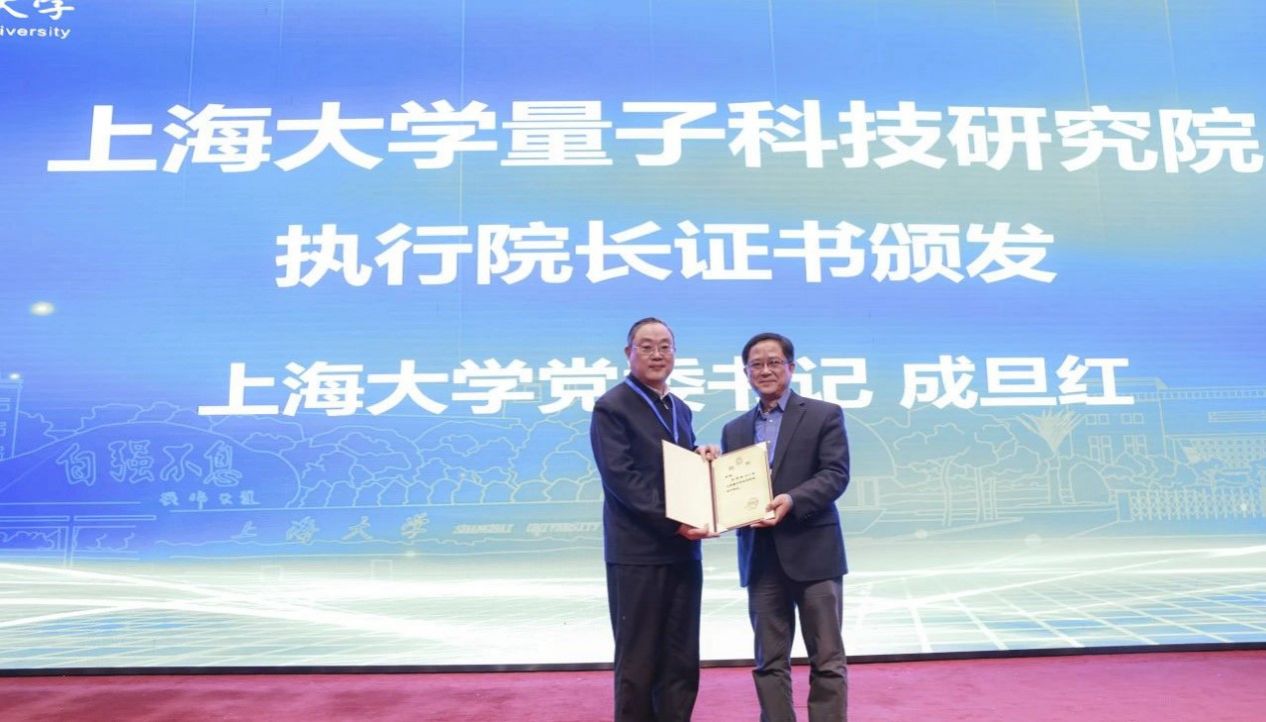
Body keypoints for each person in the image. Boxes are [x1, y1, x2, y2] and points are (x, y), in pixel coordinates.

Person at [721, 332, 851, 722]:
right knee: (769, 663)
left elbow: (835, 475)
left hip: (814, 555)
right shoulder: (734, 430)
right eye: (756, 364)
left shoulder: (824, 414)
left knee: (826, 658)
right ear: (746, 373)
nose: (765, 370)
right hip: (761, 558)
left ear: (790, 368)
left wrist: (792, 500)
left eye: (774, 362)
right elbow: (731, 490)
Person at [590, 317, 713, 722]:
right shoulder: (612, 406)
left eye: (665, 346)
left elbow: (675, 469)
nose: (657, 354)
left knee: (681, 657)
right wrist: (674, 521)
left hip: (683, 551)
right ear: (629, 353)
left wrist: (702, 458)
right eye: (646, 346)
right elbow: (622, 480)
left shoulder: (679, 408)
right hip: (638, 553)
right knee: (639, 660)